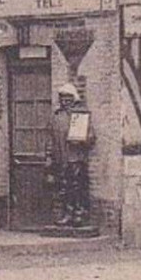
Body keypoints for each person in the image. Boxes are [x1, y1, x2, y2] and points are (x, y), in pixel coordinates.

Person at [49, 82, 94, 228]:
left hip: (76, 158)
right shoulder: (56, 116)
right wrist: (49, 157)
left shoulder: (80, 115)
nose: (65, 100)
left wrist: (82, 140)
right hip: (61, 158)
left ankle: (79, 215)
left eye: (68, 97)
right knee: (64, 187)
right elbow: (50, 138)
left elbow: (91, 136)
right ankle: (67, 214)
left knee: (77, 186)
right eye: (62, 97)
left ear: (73, 98)